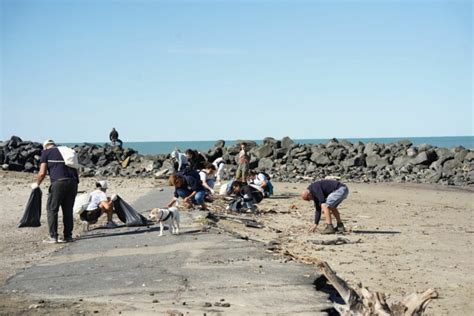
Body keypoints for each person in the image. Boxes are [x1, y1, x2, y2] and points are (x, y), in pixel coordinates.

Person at [33, 139, 79, 243]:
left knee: (52, 209)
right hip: (73, 182)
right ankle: (68, 236)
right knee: (68, 210)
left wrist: (37, 184)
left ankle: (53, 237)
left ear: (45, 146)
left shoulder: (46, 152)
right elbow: (76, 169)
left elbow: (42, 172)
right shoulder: (66, 151)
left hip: (58, 182)